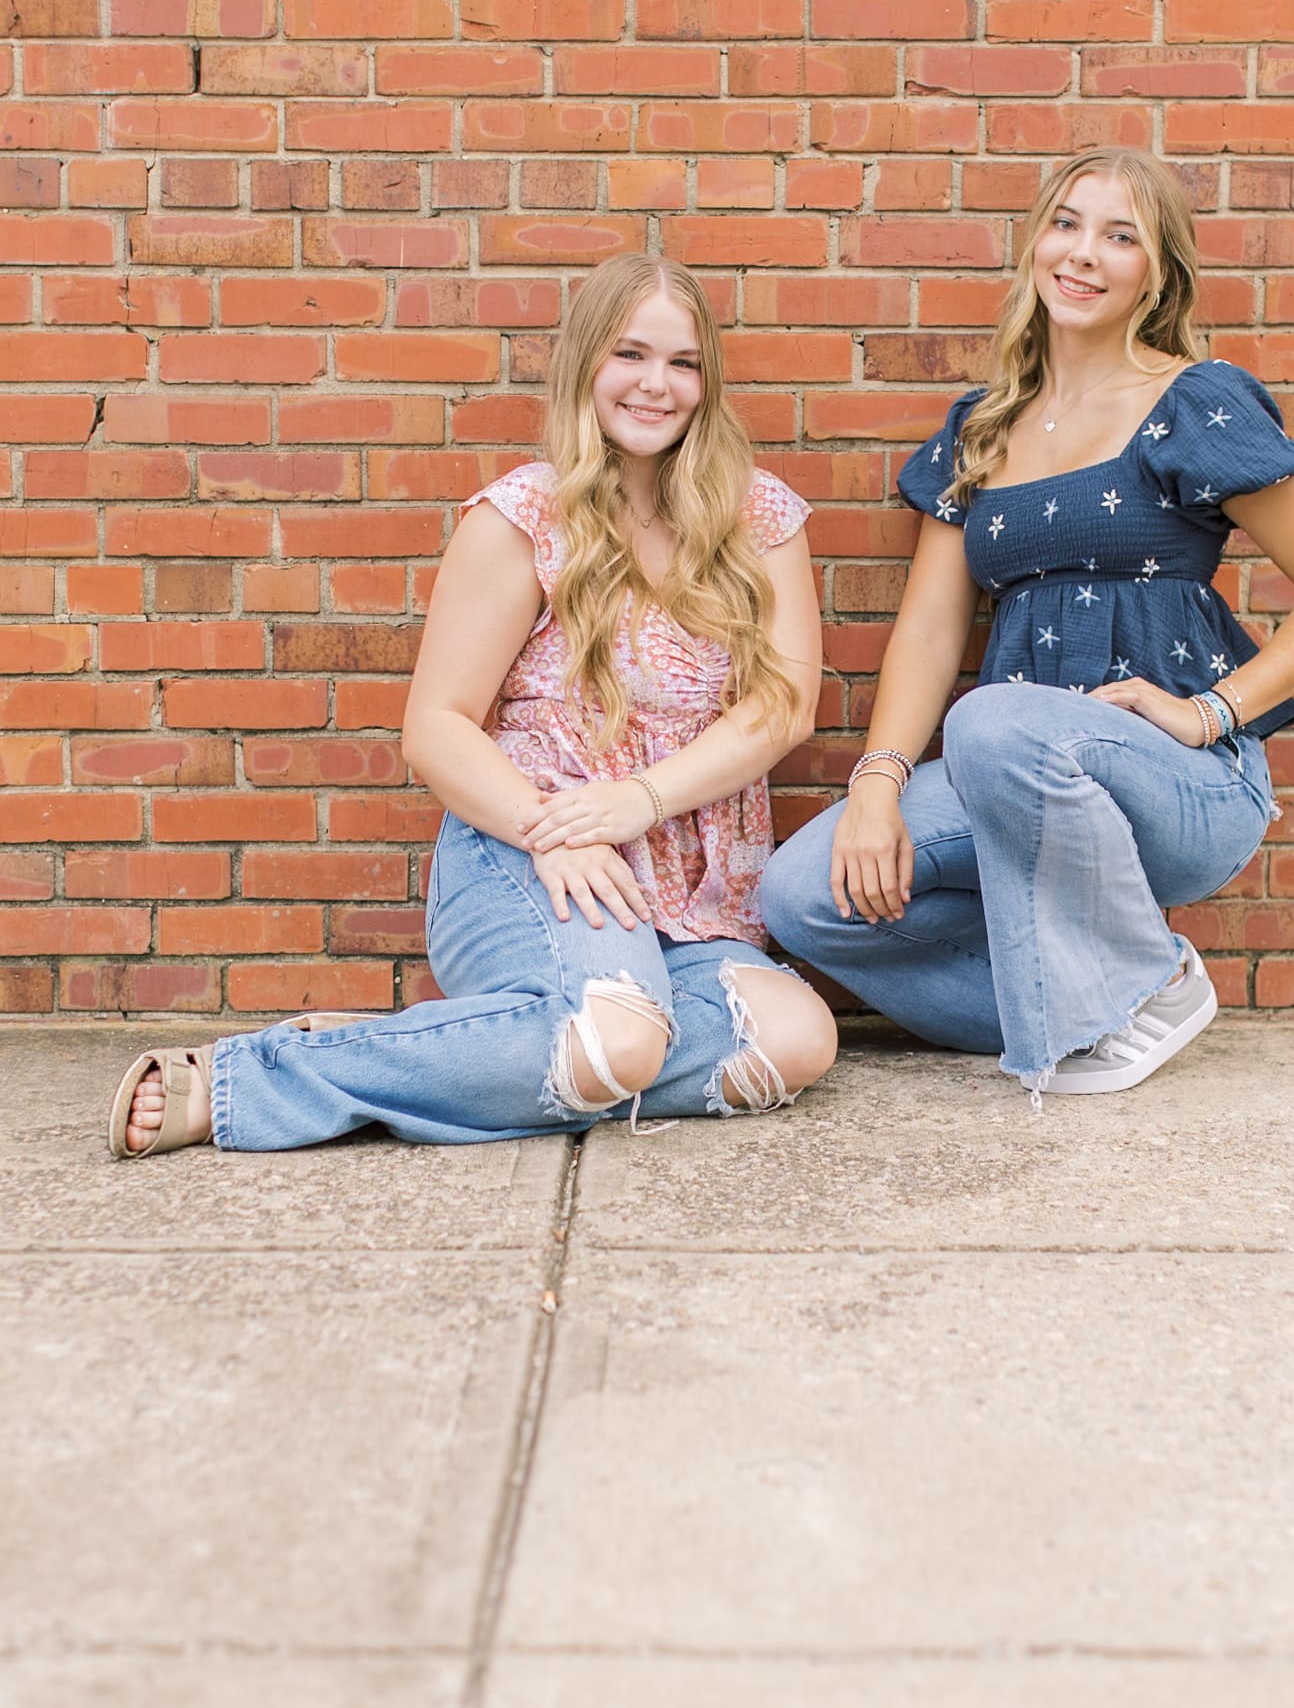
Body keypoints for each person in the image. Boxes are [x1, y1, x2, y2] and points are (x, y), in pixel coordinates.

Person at [110, 254, 836, 1157]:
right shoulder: (526, 516)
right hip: (529, 852)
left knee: (793, 1041)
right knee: (618, 1038)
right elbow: (437, 727)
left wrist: (637, 801)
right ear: (584, 365)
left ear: (707, 381)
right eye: (630, 354)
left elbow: (785, 704)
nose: (656, 384)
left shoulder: (757, 517)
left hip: (688, 883)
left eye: (683, 363)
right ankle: (247, 1083)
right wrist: (551, 828)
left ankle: (445, 1051)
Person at [762, 148, 1294, 1104]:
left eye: (1120, 236)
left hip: (1181, 783)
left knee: (993, 717)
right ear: (1035, 244)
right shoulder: (982, 427)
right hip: (1008, 769)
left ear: (1157, 274)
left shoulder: (1193, 402)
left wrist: (1211, 713)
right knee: (804, 897)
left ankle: (1150, 979)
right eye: (1066, 223)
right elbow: (929, 636)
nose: (1083, 254)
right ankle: (1096, 1005)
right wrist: (879, 786)